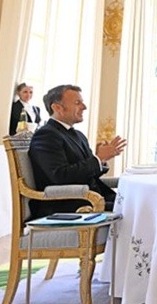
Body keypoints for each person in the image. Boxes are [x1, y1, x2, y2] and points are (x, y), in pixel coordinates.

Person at [28, 84, 126, 219]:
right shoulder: (46, 135)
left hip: (91, 197)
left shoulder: (78, 135)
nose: (84, 107)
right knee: (137, 208)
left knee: (139, 202)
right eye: (77, 103)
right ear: (57, 108)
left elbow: (87, 172)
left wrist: (100, 160)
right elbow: (60, 176)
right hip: (67, 204)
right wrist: (97, 158)